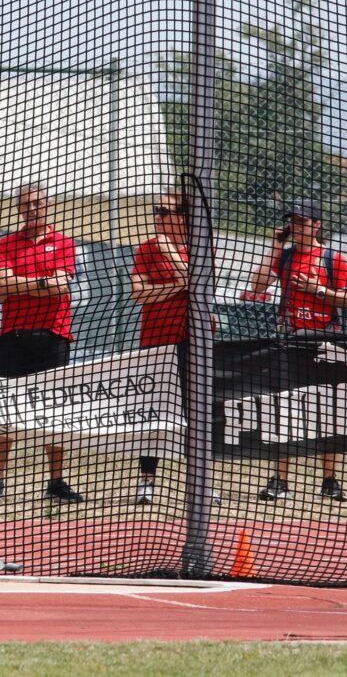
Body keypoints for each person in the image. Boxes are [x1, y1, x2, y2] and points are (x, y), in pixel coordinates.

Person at [248, 200, 347, 502]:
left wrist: (317, 290)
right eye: (293, 221)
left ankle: (330, 481)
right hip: (290, 339)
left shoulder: (332, 259)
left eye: (303, 222)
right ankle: (280, 480)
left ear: (317, 225)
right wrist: (273, 246)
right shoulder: (284, 258)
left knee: (329, 413)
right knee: (285, 411)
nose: (297, 227)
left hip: (327, 341)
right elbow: (257, 286)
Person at [0, 183, 83, 503]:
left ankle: (56, 480)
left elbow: (61, 287)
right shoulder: (7, 243)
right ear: (19, 208)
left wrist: (27, 284)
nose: (33, 208)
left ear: (48, 205)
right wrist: (42, 283)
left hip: (54, 335)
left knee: (54, 407)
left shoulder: (64, 242)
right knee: (6, 408)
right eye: (26, 204)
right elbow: (5, 287)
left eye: (38, 203)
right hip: (14, 335)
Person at [129, 192, 192, 504]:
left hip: (194, 341)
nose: (157, 216)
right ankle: (146, 482)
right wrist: (178, 287)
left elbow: (198, 280)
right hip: (154, 340)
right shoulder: (145, 249)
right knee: (152, 413)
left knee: (197, 413)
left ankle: (200, 484)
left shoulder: (199, 245)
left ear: (182, 215)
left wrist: (169, 252)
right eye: (157, 210)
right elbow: (140, 294)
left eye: (164, 211)